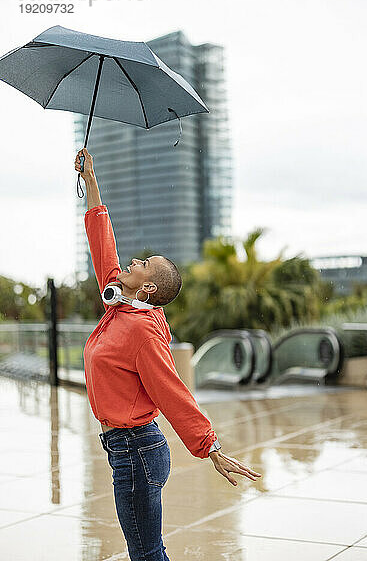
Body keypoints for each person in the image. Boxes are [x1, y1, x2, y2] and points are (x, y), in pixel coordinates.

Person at [75, 147, 262, 561]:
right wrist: (91, 180)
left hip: (137, 449)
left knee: (145, 552)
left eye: (143, 264)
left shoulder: (142, 330)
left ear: (147, 289)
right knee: (144, 549)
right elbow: (103, 245)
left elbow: (171, 391)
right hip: (124, 446)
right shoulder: (121, 304)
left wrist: (210, 447)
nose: (134, 260)